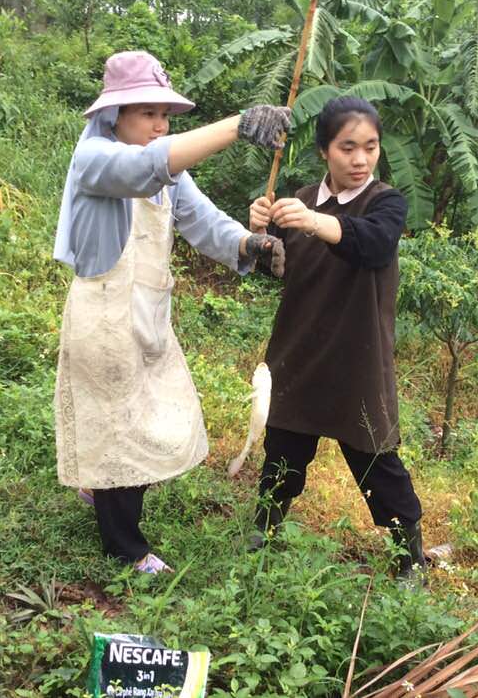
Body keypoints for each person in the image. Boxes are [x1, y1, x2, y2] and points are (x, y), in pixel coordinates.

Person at [53, 51, 289, 574]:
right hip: (104, 316)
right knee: (120, 426)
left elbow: (202, 220)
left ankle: (102, 489)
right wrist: (238, 125)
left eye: (165, 115)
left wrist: (247, 244)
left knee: (147, 415)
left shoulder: (171, 176)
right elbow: (144, 170)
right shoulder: (95, 157)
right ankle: (125, 548)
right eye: (148, 114)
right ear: (115, 115)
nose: (160, 125)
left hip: (148, 312)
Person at [247, 96, 427, 581]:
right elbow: (271, 270)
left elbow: (372, 244)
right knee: (283, 450)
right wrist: (259, 232)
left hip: (357, 356)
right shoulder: (300, 199)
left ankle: (409, 556)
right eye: (348, 148)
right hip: (299, 349)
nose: (361, 159)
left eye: (370, 147)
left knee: (375, 459)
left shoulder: (385, 203)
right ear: (324, 150)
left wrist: (312, 221)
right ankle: (265, 530)